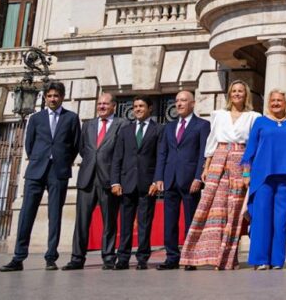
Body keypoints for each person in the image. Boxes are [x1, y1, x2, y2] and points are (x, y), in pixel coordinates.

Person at [1, 81, 81, 272]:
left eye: (56, 96)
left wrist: (61, 161)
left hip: (58, 172)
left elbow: (75, 145)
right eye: (50, 96)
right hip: (36, 171)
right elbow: (29, 144)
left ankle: (51, 257)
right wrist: (40, 158)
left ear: (62, 97)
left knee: (55, 215)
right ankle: (18, 257)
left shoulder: (71, 118)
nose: (53, 99)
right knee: (26, 213)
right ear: (45, 98)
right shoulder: (36, 118)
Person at [180, 81, 261, 270]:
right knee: (213, 208)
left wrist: (250, 169)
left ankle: (228, 258)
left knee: (235, 210)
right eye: (234, 91)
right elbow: (212, 141)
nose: (237, 94)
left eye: (240, 91)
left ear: (246, 94)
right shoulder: (219, 115)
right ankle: (203, 255)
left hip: (241, 161)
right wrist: (206, 167)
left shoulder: (253, 117)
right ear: (229, 94)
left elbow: (254, 145)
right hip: (219, 159)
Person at [62, 92, 128, 270]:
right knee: (81, 221)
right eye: (99, 104)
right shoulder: (88, 125)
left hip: (109, 179)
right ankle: (77, 258)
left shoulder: (122, 124)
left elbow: (122, 151)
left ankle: (108, 257)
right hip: (87, 178)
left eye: (106, 104)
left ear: (114, 106)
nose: (102, 107)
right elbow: (83, 149)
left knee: (110, 221)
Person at [241, 89, 286, 270]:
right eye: (273, 100)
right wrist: (246, 174)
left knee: (281, 220)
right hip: (262, 178)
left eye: (280, 101)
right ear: (269, 103)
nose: (276, 103)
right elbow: (250, 150)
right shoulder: (260, 122)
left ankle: (277, 260)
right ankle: (261, 260)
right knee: (261, 219)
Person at [153, 90, 210, 270]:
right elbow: (162, 153)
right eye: (177, 101)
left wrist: (198, 178)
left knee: (190, 221)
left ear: (192, 103)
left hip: (190, 180)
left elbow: (203, 153)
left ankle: (190, 257)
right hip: (169, 179)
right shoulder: (168, 127)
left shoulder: (202, 125)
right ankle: (172, 257)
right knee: (169, 221)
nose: (179, 104)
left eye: (183, 100)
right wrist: (158, 177)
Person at [110, 95, 163, 270]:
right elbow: (117, 157)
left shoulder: (158, 130)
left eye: (141, 106)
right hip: (126, 184)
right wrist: (115, 182)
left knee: (145, 223)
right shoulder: (125, 130)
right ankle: (123, 258)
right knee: (125, 223)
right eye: (135, 106)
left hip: (147, 185)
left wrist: (156, 180)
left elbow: (160, 158)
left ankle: (142, 258)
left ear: (150, 108)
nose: (138, 109)